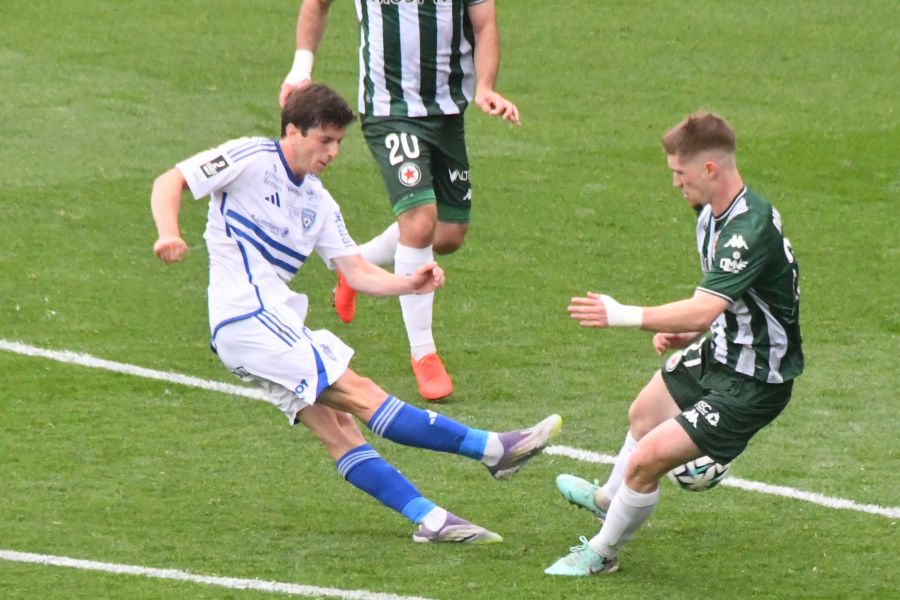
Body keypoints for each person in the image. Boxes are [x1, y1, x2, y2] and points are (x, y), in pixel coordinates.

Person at [151, 84, 560, 544]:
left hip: (263, 325)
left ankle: (431, 520)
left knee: (339, 428)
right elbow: (171, 180)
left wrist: (408, 283)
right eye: (324, 140)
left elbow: (357, 271)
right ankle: (492, 449)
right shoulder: (251, 157)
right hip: (248, 318)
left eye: (339, 142)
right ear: (293, 131)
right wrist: (169, 232)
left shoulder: (319, 202)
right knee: (361, 393)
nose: (332, 152)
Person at [544, 112, 803, 575]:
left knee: (647, 461)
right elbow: (727, 301)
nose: (675, 184)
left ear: (710, 169)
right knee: (643, 414)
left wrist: (622, 314)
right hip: (722, 349)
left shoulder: (747, 230)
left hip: (755, 380)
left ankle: (602, 553)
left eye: (680, 174)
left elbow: (702, 308)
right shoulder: (712, 212)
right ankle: (608, 500)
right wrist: (689, 333)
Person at [279, 0, 521, 401]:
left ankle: (355, 266)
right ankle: (424, 353)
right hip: (389, 109)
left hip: (446, 111)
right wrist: (301, 67)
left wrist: (485, 86)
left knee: (448, 234)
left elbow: (485, 24)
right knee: (420, 220)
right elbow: (317, 4)